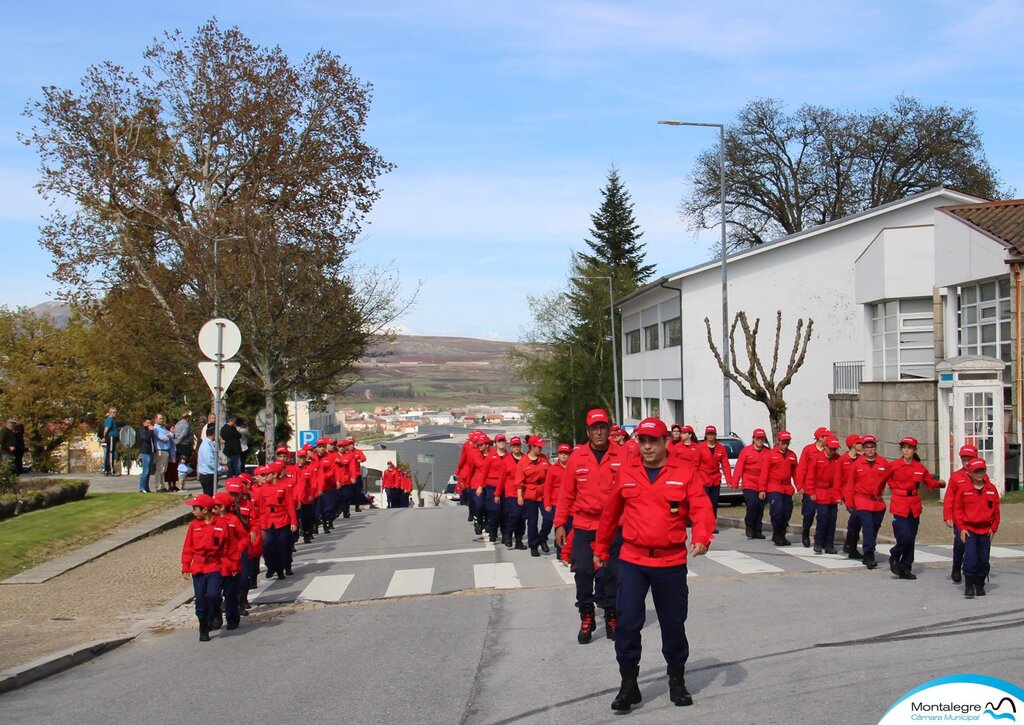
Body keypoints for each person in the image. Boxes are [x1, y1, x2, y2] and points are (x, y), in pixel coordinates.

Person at [594, 417, 714, 711]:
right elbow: (610, 514)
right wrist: (600, 547)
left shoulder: (684, 472)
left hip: (670, 562)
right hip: (633, 560)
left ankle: (676, 680)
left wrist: (701, 536)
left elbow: (701, 507)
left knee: (673, 624)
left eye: (653, 441)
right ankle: (629, 685)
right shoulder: (627, 473)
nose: (647, 447)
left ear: (664, 442)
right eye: (642, 441)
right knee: (627, 622)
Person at [555, 409, 626, 644]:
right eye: (594, 428)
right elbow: (566, 494)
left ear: (609, 429)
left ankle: (611, 616)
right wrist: (559, 525)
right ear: (588, 431)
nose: (599, 432)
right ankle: (587, 616)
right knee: (584, 572)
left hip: (614, 525)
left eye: (603, 427)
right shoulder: (577, 458)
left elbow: (631, 490)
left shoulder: (622, 454)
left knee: (610, 574)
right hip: (585, 525)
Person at [878, 436, 944, 580]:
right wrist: (877, 495)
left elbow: (928, 482)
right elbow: (881, 480)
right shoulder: (894, 465)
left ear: (914, 450)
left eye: (909, 448)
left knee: (911, 538)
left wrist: (939, 484)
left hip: (914, 504)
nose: (906, 450)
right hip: (899, 502)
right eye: (904, 447)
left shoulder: (919, 467)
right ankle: (895, 554)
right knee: (904, 537)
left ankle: (906, 567)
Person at [180, 493, 228, 642]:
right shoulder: (194, 526)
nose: (193, 512)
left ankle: (215, 611)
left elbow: (228, 546)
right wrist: (186, 565)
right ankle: (203, 626)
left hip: (215, 565)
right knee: (200, 599)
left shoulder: (221, 524)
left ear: (205, 510)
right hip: (199, 567)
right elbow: (188, 546)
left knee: (213, 594)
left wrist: (230, 564)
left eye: (196, 509)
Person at [954, 457, 1000, 598]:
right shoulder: (964, 489)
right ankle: (969, 585)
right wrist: (961, 528)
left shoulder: (991, 489)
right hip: (970, 530)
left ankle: (980, 584)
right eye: (976, 471)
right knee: (971, 557)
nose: (980, 474)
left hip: (986, 530)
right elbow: (958, 510)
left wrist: (994, 528)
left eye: (982, 470)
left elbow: (997, 512)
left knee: (983, 558)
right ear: (970, 473)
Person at [849, 435, 887, 570]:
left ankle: (867, 547)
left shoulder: (883, 463)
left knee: (874, 527)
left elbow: (892, 479)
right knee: (868, 526)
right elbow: (850, 484)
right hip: (862, 500)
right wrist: (849, 503)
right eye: (867, 447)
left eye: (872, 447)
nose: (870, 450)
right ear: (863, 449)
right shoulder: (856, 464)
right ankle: (869, 553)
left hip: (877, 501)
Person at [943, 445, 978, 584]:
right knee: (960, 542)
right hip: (960, 517)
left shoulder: (981, 475)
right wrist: (947, 516)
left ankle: (972, 569)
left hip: (976, 517)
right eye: (964, 460)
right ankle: (956, 566)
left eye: (970, 459)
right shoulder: (956, 477)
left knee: (974, 546)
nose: (967, 463)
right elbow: (949, 498)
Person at [759, 431, 798, 546]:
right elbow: (764, 473)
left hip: (786, 487)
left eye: (787, 443)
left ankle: (782, 533)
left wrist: (800, 487)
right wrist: (762, 489)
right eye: (783, 442)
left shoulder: (792, 455)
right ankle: (777, 534)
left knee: (787, 511)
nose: (785, 445)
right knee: (778, 509)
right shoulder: (770, 455)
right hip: (774, 486)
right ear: (778, 442)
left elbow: (796, 473)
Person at [515, 435, 550, 557]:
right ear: (532, 446)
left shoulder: (544, 459)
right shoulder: (523, 461)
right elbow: (519, 482)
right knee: (532, 522)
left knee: (549, 518)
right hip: (530, 493)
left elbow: (550, 475)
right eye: (538, 447)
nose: (541, 449)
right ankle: (533, 545)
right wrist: (520, 497)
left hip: (544, 492)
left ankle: (542, 538)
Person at [796, 427, 830, 547]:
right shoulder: (808, 450)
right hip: (809, 487)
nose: (828, 438)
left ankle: (821, 538)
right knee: (809, 513)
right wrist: (800, 486)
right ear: (820, 438)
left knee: (823, 515)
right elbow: (802, 469)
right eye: (826, 436)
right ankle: (805, 531)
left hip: (823, 489)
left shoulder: (829, 450)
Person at [807, 436, 842, 554]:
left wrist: (839, 495)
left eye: (835, 449)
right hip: (821, 491)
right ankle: (818, 542)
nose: (833, 451)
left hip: (833, 492)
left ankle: (829, 544)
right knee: (823, 517)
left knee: (832, 519)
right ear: (825, 447)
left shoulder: (838, 459)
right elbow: (810, 476)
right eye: (831, 449)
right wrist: (811, 491)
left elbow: (839, 478)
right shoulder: (817, 458)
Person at [732, 428, 769, 539]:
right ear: (753, 439)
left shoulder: (767, 452)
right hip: (749, 482)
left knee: (760, 506)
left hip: (763, 483)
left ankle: (758, 529)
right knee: (752, 504)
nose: (760, 441)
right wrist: (735, 482)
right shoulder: (746, 451)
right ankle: (749, 525)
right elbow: (739, 467)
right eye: (758, 438)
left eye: (762, 438)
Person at [696, 425, 732, 526]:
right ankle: (704, 523)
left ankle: (712, 523)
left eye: (712, 434)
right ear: (706, 435)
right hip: (703, 479)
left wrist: (729, 480)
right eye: (708, 434)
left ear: (715, 435)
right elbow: (695, 465)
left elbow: (725, 465)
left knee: (714, 503)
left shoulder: (721, 448)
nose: (710, 436)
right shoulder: (700, 447)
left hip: (715, 479)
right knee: (705, 503)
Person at [837, 434, 864, 559]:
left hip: (859, 494)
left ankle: (849, 544)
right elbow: (838, 479)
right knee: (856, 518)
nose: (862, 446)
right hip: (847, 494)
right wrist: (839, 495)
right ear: (854, 445)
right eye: (860, 443)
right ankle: (850, 545)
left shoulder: (861, 459)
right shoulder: (842, 460)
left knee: (856, 519)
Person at [544, 443, 571, 560]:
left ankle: (568, 549)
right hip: (556, 502)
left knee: (569, 527)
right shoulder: (553, 469)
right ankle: (559, 548)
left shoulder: (572, 468)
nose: (563, 456)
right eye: (561, 454)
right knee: (559, 526)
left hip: (570, 503)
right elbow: (547, 487)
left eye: (566, 453)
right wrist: (547, 503)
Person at [151, 413, 173, 492]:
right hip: (160, 450)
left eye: (162, 418)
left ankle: (162, 485)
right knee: (160, 468)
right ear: (156, 419)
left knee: (164, 469)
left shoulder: (163, 428)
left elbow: (172, 434)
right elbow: (163, 438)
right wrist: (167, 435)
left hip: (166, 450)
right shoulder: (156, 428)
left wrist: (168, 434)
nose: (162, 420)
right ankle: (158, 486)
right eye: (160, 418)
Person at [197, 423, 219, 497]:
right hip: (207, 475)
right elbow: (210, 461)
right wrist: (221, 468)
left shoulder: (210, 444)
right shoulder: (206, 445)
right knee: (208, 496)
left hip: (210, 474)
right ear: (213, 434)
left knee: (211, 495)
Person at [137, 416, 154, 493]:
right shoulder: (142, 430)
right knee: (145, 471)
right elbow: (146, 438)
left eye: (150, 423)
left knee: (149, 471)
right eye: (147, 423)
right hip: (145, 452)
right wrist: (150, 431)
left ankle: (146, 487)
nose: (149, 424)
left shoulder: (150, 431)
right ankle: (142, 487)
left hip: (151, 451)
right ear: (144, 423)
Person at [101, 408, 118, 475]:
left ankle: (108, 469)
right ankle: (110, 470)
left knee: (110, 453)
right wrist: (104, 437)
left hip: (112, 438)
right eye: (114, 412)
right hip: (111, 438)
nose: (115, 414)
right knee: (110, 453)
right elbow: (106, 429)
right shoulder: (110, 419)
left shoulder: (112, 419)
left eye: (115, 412)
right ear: (110, 412)